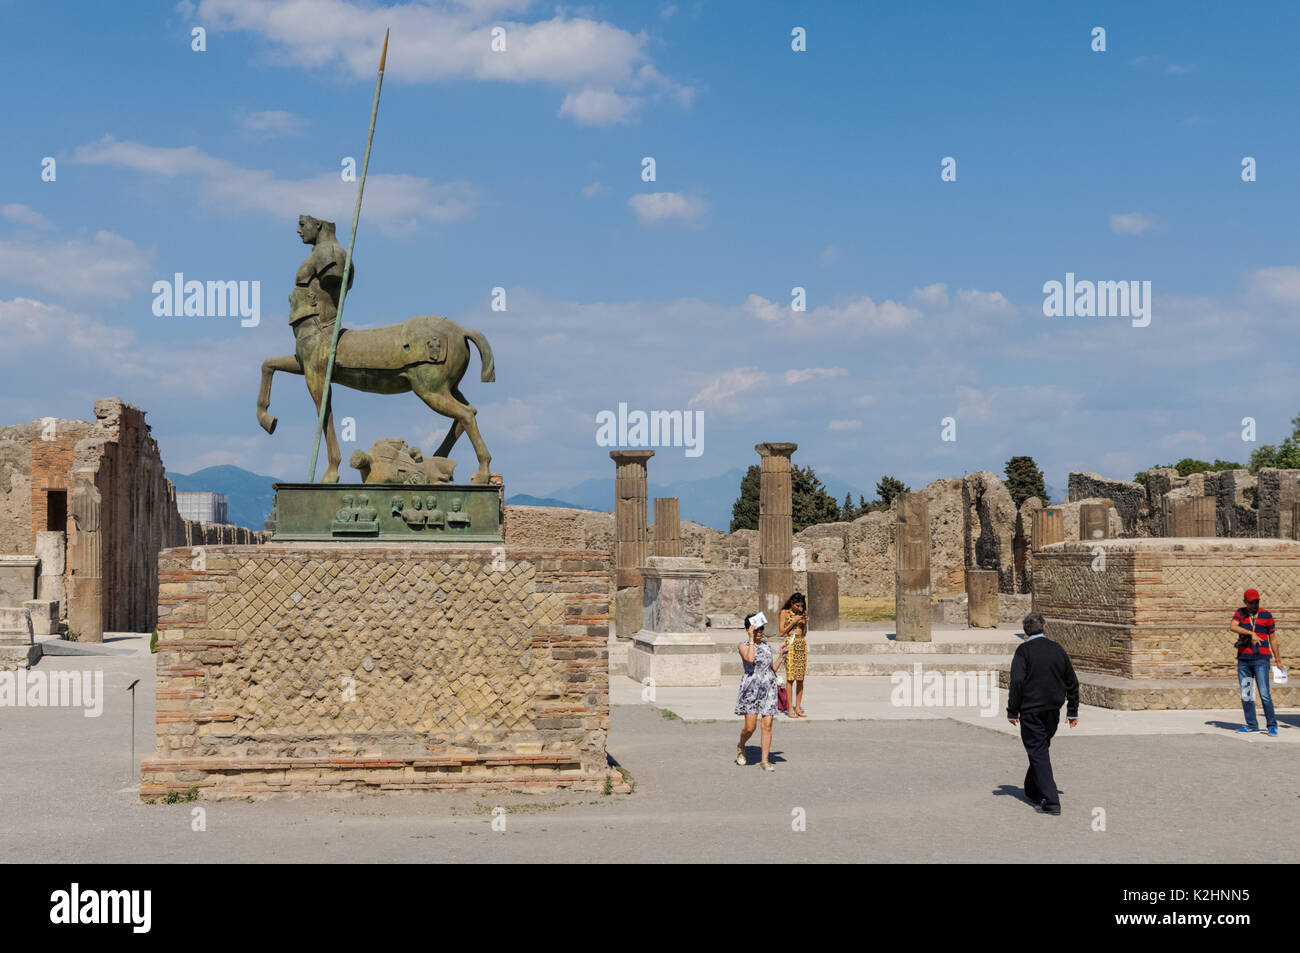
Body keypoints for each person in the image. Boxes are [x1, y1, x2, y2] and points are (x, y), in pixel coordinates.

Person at [1007, 611, 1079, 815]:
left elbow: (1017, 682)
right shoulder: (1057, 649)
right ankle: (1032, 789)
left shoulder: (1023, 651)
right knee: (1039, 748)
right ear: (1044, 628)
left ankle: (1051, 801)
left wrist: (1012, 710)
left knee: (1038, 751)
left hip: (1031, 711)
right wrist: (1072, 711)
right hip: (1053, 712)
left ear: (1025, 632)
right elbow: (1072, 682)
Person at [735, 612, 788, 771]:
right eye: (756, 630)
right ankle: (741, 745)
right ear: (749, 630)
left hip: (768, 688)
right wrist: (751, 639)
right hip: (751, 689)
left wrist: (781, 656)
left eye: (761, 630)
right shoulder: (743, 645)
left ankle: (764, 761)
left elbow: (772, 669)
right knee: (750, 728)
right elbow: (750, 659)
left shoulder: (766, 646)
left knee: (768, 725)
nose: (759, 633)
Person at [1229, 588, 1278, 736]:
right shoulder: (1240, 613)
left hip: (1261, 660)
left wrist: (1278, 659)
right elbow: (1233, 626)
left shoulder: (1266, 615)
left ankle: (1271, 725)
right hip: (1244, 660)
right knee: (1247, 694)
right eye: (1251, 602)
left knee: (1264, 694)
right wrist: (1252, 633)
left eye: (1257, 601)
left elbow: (1273, 639)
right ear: (1245, 602)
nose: (1255, 604)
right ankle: (1252, 725)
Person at [780, 593, 809, 717]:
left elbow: (804, 633)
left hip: (801, 644)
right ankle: (790, 708)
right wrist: (794, 621)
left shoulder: (802, 613)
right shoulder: (785, 613)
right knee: (790, 678)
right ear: (792, 603)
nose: (799, 608)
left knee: (800, 678)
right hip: (790, 644)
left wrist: (805, 622)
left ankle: (798, 708)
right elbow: (781, 632)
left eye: (801, 605)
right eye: (797, 605)